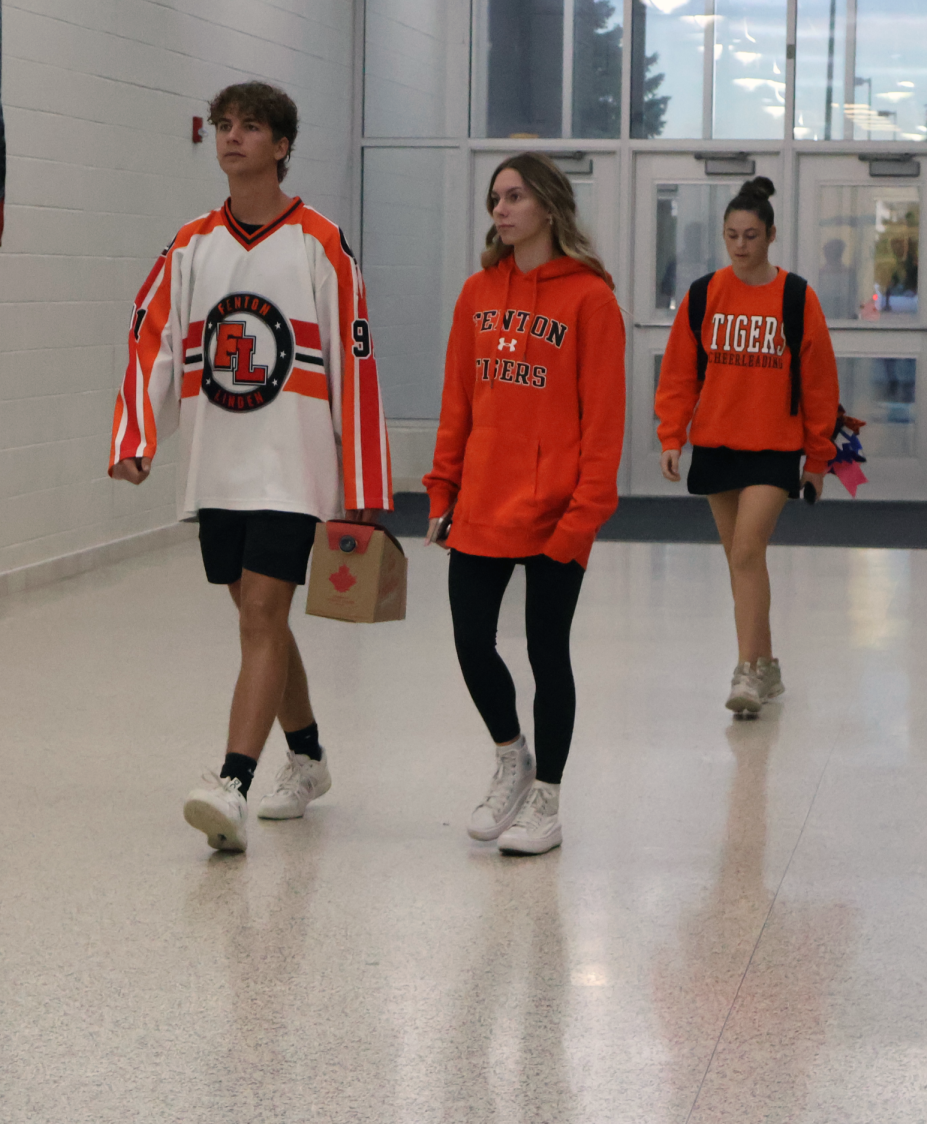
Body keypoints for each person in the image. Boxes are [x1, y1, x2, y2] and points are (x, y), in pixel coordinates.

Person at [109, 82, 392, 853]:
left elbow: (354, 363)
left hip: (293, 471)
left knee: (264, 613)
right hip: (216, 467)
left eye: (251, 127)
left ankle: (230, 781)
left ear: (282, 146)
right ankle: (306, 757)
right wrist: (136, 436)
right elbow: (151, 338)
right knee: (255, 616)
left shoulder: (321, 244)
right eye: (224, 127)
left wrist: (363, 485)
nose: (232, 138)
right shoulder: (190, 244)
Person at [423, 152, 625, 856]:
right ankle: (512, 757)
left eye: (512, 197)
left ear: (547, 205)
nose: (499, 210)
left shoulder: (589, 300)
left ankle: (547, 801)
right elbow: (458, 403)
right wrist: (442, 488)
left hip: (556, 511)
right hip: (481, 501)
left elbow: (603, 423)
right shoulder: (477, 293)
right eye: (493, 199)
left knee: (547, 651)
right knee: (470, 641)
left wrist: (583, 515)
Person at [655, 177, 839, 715]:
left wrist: (818, 459)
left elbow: (820, 383)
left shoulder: (796, 297)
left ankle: (747, 673)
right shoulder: (703, 294)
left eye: (751, 235)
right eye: (732, 234)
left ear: (771, 235)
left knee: (746, 552)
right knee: (741, 564)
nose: (740, 245)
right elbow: (679, 375)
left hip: (774, 447)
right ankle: (768, 663)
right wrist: (672, 434)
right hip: (716, 443)